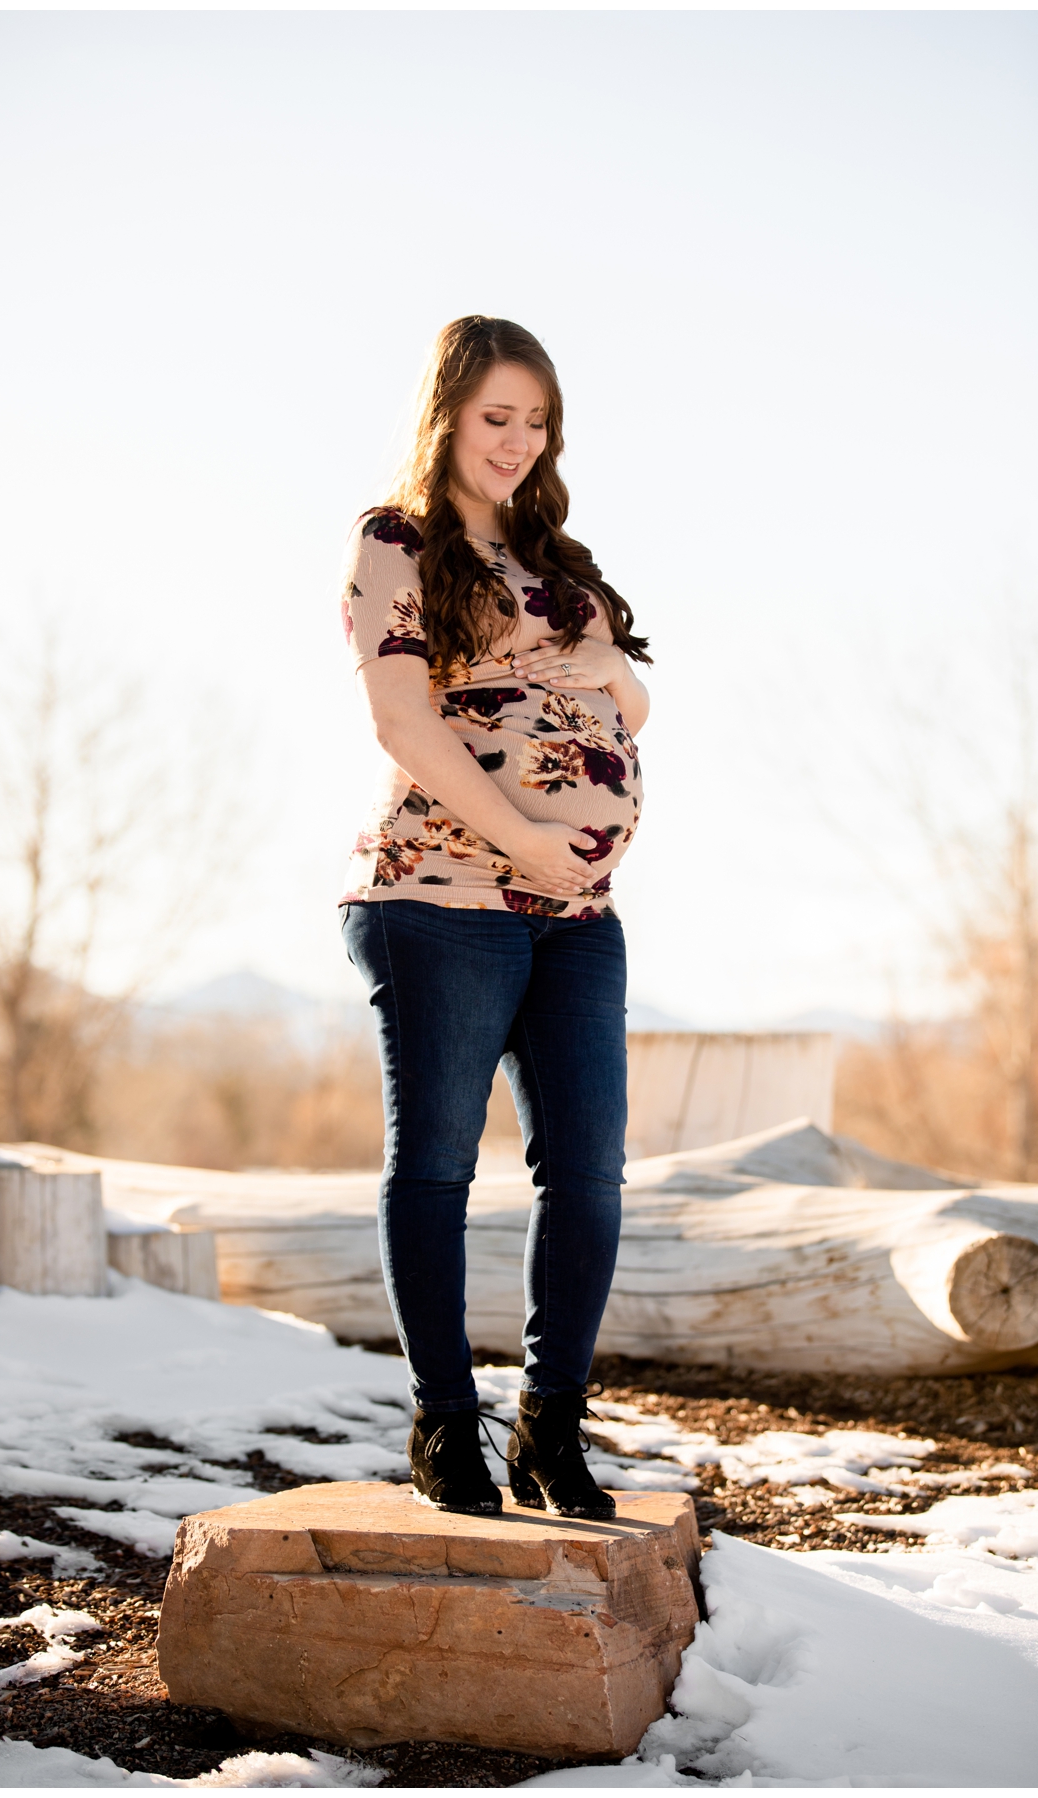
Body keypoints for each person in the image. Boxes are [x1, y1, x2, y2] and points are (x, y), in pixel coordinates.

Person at [338, 315, 654, 1520]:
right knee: (435, 1168)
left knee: (590, 1177)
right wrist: (524, 836)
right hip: (438, 897)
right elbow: (403, 723)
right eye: (495, 418)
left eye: (536, 422)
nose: (517, 442)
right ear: (448, 416)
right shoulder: (396, 541)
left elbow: (630, 696)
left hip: (576, 914)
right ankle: (442, 1427)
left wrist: (608, 677)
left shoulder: (554, 559)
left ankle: (551, 1430)